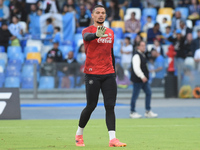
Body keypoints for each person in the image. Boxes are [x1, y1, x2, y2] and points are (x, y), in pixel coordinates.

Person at [75, 5, 126, 147]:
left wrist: (114, 72)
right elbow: (86, 37)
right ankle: (79, 134)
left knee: (110, 106)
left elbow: (111, 52)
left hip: (108, 73)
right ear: (92, 15)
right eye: (97, 13)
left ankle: (113, 139)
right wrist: (97, 35)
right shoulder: (88, 31)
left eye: (103, 13)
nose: (100, 15)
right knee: (91, 105)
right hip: (92, 73)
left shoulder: (110, 32)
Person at [130, 41, 158, 119]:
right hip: (138, 79)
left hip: (143, 80)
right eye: (142, 45)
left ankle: (148, 111)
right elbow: (136, 68)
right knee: (135, 95)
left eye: (144, 45)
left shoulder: (142, 55)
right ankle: (132, 111)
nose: (144, 47)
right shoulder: (136, 55)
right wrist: (142, 76)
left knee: (148, 93)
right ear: (138, 47)